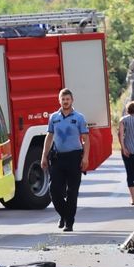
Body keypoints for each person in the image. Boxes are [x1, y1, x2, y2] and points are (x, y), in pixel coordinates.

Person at [40, 88, 90, 231]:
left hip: (74, 157)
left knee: (72, 192)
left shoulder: (79, 118)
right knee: (54, 191)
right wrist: (44, 156)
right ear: (59, 100)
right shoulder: (54, 117)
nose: (65, 101)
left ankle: (69, 223)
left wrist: (85, 157)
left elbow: (86, 139)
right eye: (63, 99)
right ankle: (64, 215)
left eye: (68, 99)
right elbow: (49, 137)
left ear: (72, 100)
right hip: (58, 158)